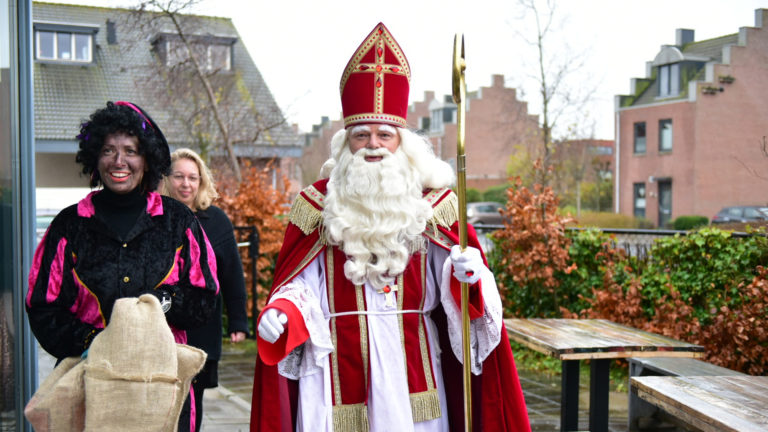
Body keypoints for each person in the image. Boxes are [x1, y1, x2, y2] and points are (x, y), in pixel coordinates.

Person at [250, 23, 530, 432]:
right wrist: (281, 311)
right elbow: (301, 288)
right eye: (361, 135)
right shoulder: (316, 207)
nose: (374, 145)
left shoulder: (434, 206)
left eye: (385, 134)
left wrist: (469, 275)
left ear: (403, 143)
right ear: (347, 144)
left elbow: (460, 291)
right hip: (335, 379)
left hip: (415, 378)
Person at [26, 101, 219, 432]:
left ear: (146, 159)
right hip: (90, 385)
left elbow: (204, 294)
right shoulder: (68, 226)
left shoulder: (178, 222)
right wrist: (95, 341)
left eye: (130, 150)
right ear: (94, 158)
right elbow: (42, 307)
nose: (119, 161)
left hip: (163, 383)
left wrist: (164, 301)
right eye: (108, 150)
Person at [161, 148, 249, 432]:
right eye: (179, 176)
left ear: (201, 182)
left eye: (193, 178)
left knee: (192, 403)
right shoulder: (152, 217)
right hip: (160, 327)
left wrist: (238, 321)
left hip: (202, 328)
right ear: (165, 179)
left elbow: (232, 275)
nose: (186, 184)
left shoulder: (216, 221)